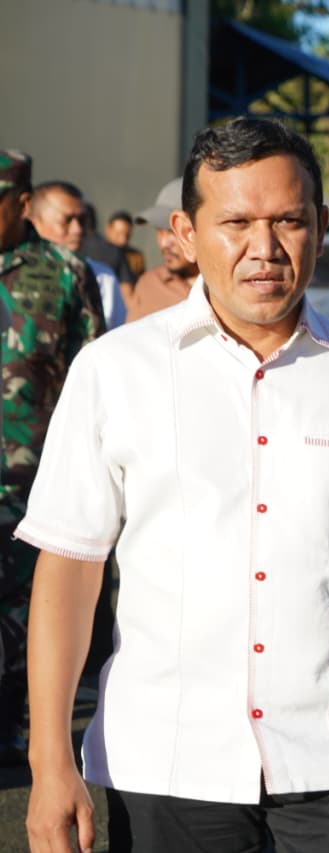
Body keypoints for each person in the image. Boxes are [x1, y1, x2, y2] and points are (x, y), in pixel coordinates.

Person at [21, 117, 329, 853]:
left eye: (289, 221)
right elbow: (70, 568)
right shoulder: (115, 371)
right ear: (186, 233)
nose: (265, 248)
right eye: (237, 223)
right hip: (167, 762)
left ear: (319, 226)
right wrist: (48, 759)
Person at [0, 151, 103, 767]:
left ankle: (15, 727)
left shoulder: (65, 273)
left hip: (30, 480)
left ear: (20, 203)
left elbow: (95, 382)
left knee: (24, 613)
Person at [28, 182, 126, 329]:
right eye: (66, 221)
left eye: (82, 220)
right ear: (35, 223)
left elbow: (115, 334)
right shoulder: (10, 272)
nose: (77, 229)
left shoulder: (102, 277)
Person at [127, 177, 200, 322]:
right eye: (159, 230)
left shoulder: (226, 289)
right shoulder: (149, 285)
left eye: (172, 231)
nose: (163, 243)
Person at [103, 209, 148, 280]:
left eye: (127, 235)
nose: (123, 240)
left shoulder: (135, 257)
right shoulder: (96, 254)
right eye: (118, 234)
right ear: (108, 229)